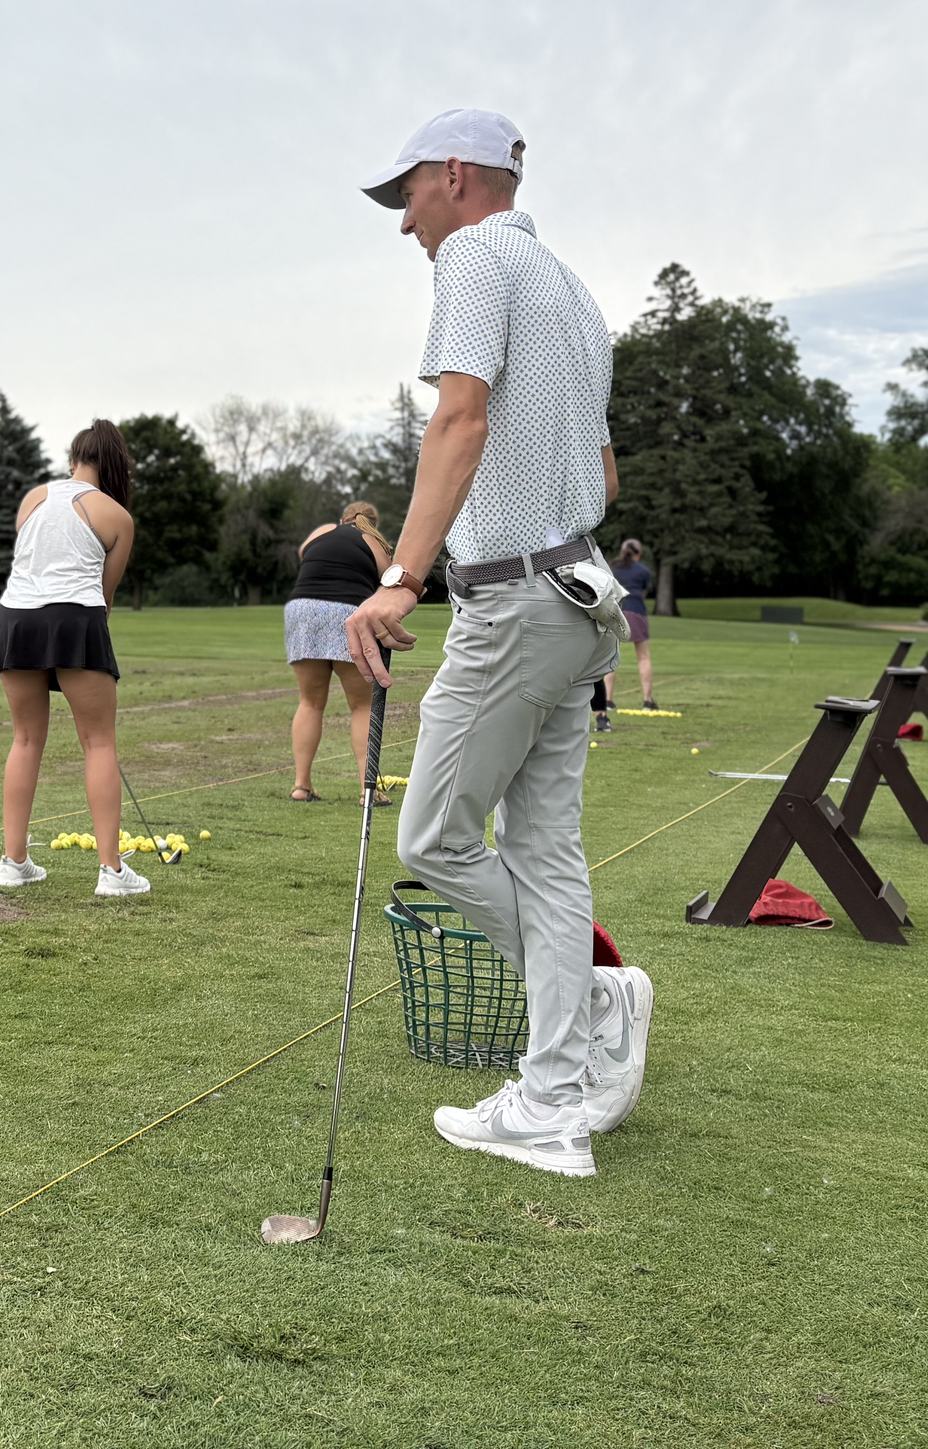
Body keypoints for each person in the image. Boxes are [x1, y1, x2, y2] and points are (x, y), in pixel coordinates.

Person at [343, 108, 650, 1179]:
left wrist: (399, 577)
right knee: (546, 854)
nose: (405, 224)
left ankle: (587, 1020)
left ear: (458, 178)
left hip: (515, 601)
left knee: (429, 838)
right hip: (577, 596)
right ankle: (558, 1088)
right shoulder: (574, 292)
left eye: (408, 195)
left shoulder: (475, 257)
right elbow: (603, 478)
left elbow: (459, 418)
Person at [0, 421, 143, 897]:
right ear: (116, 463)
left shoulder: (32, 497)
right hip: (76, 617)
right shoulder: (117, 515)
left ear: (74, 457)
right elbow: (104, 596)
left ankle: (14, 863)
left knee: (26, 739)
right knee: (98, 743)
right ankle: (112, 873)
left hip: (16, 619)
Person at [286, 502, 393, 802]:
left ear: (343, 519)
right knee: (362, 706)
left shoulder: (324, 530)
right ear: (373, 523)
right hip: (348, 612)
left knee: (310, 702)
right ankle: (367, 789)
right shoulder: (374, 541)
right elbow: (390, 581)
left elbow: (304, 552)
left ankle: (301, 786)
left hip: (302, 609)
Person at [594, 538, 656, 729]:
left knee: (610, 657)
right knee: (643, 657)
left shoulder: (611, 567)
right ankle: (647, 701)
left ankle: (608, 701)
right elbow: (644, 592)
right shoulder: (644, 572)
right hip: (636, 611)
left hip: (615, 611)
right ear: (638, 553)